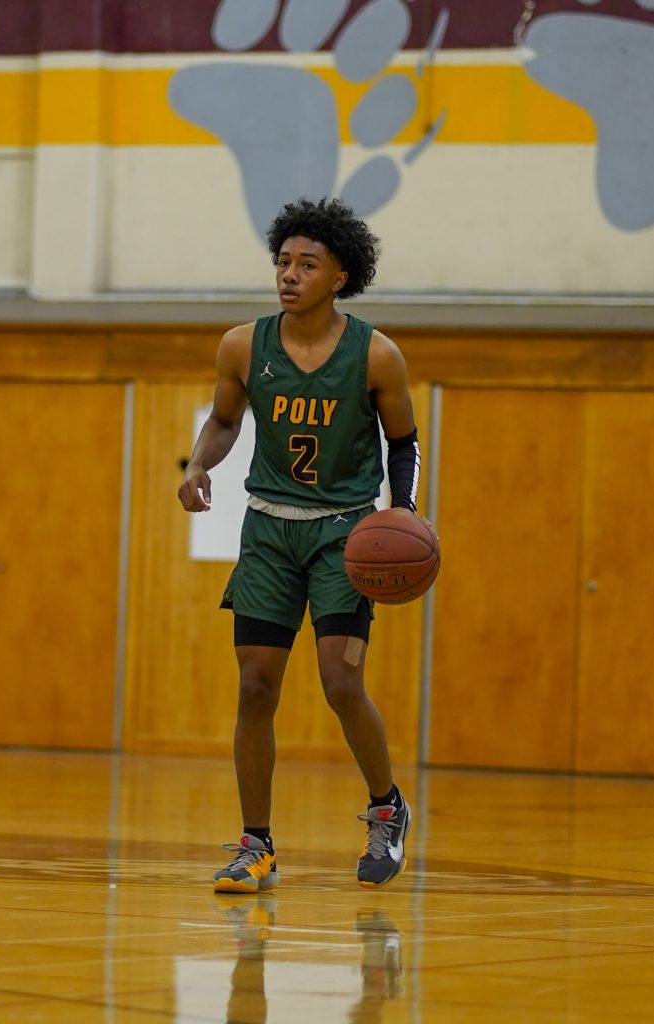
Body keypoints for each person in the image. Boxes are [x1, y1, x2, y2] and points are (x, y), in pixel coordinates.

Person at [178, 197, 421, 893]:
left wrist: (402, 514)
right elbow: (224, 421)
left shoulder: (376, 354)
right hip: (268, 529)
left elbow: (403, 442)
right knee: (255, 687)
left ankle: (387, 807)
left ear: (340, 277)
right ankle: (255, 845)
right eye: (283, 262)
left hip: (345, 533)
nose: (289, 274)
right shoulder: (241, 346)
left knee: (341, 683)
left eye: (307, 265)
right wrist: (198, 464)